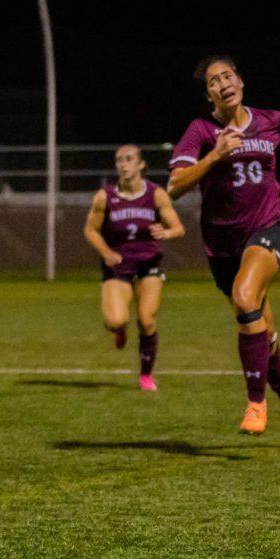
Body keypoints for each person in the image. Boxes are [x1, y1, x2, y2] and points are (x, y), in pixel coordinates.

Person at [166, 55, 280, 443]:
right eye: (214, 81)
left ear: (240, 81)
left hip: (267, 227)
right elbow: (175, 184)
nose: (222, 83)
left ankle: (255, 402)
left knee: (246, 299)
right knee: (262, 328)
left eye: (227, 75)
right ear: (208, 94)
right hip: (222, 245)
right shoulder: (201, 130)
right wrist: (215, 155)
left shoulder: (269, 120)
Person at [83, 144, 185, 391]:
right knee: (115, 320)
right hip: (118, 265)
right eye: (119, 160)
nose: (123, 164)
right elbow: (90, 229)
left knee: (147, 320)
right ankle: (120, 331)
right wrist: (106, 252)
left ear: (141, 164)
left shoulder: (155, 194)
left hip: (148, 263)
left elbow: (179, 228)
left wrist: (167, 231)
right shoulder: (105, 197)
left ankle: (146, 375)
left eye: (129, 159)